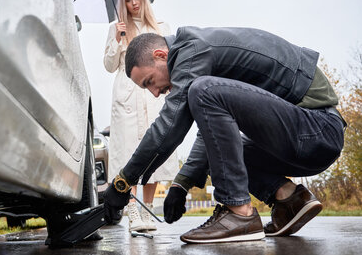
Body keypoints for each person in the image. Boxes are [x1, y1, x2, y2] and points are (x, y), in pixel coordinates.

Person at [103, 26, 346, 243]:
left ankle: (238, 213)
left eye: (149, 82)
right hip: (305, 136)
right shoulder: (199, 54)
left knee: (201, 90)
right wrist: (181, 183)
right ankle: (289, 199)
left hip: (318, 129)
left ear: (160, 55)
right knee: (215, 143)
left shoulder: (192, 49)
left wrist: (124, 181)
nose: (155, 93)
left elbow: (171, 122)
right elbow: (212, 135)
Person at [103, 0, 179, 232]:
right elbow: (109, 65)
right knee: (129, 152)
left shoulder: (160, 27)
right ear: (122, 3)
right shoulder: (117, 28)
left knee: (153, 149)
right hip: (127, 96)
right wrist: (117, 40)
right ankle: (132, 211)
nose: (133, 3)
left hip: (152, 95)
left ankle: (147, 212)